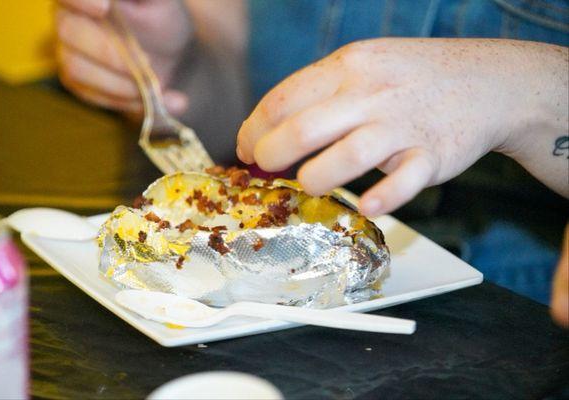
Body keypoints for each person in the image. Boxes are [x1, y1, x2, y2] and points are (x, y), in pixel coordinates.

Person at [55, 0, 568, 326]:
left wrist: (535, 92)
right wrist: (179, 67)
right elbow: (239, 115)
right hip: (256, 297)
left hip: (518, 306)